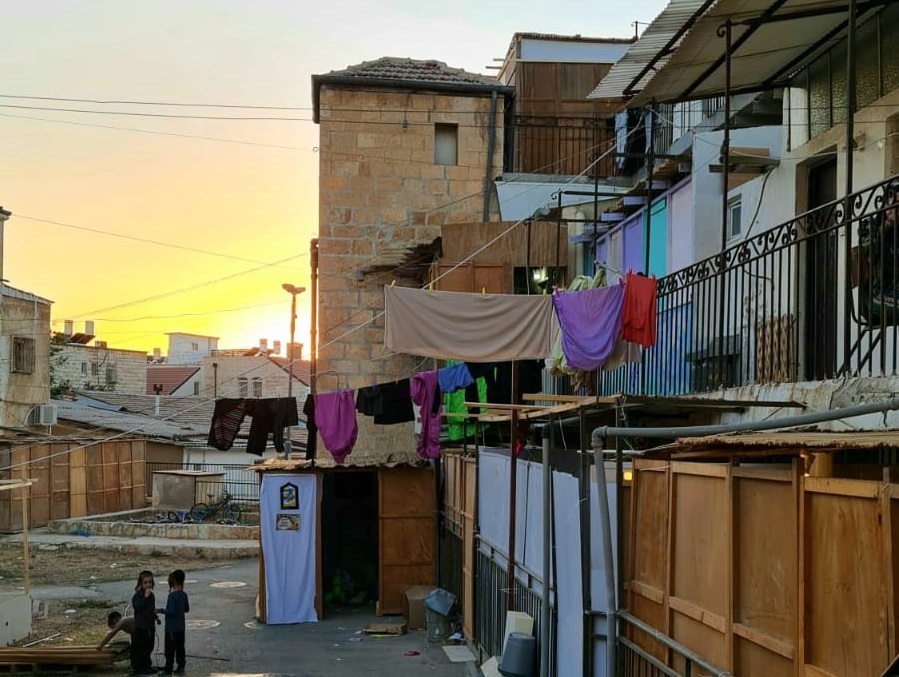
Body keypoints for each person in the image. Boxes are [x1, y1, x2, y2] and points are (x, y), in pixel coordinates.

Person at [156, 569, 190, 676]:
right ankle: (181, 667)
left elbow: (171, 611)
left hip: (171, 628)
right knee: (180, 648)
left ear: (173, 581)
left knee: (169, 650)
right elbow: (186, 609)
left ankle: (168, 670)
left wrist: (161, 610)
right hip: (181, 627)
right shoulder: (184, 594)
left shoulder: (172, 596)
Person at [131, 570, 159, 675]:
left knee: (149, 646)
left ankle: (147, 666)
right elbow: (137, 607)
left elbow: (151, 609)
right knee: (141, 647)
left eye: (150, 582)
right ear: (141, 584)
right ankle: (140, 668)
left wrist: (156, 617)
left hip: (150, 625)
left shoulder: (152, 596)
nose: (148, 585)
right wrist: (145, 597)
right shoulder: (137, 596)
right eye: (145, 583)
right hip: (141, 626)